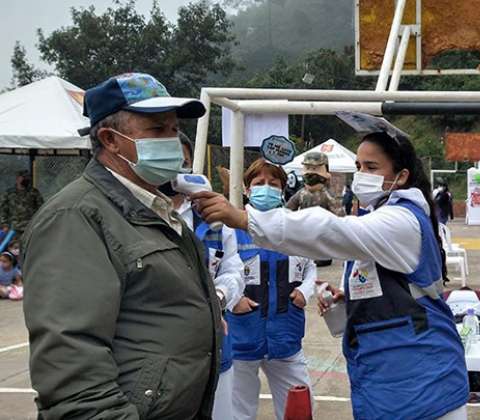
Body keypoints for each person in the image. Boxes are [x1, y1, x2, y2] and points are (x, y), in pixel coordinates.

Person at [192, 119, 470, 420]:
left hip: (418, 375)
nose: (362, 175)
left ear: (401, 176)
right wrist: (351, 300)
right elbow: (394, 285)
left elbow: (329, 230)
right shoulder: (384, 214)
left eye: (372, 167)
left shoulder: (401, 219)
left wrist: (246, 218)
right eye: (358, 165)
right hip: (392, 373)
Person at [22, 73, 222, 419]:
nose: (173, 141)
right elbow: (72, 361)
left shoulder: (154, 206)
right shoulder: (76, 217)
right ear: (109, 140)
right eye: (157, 130)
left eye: (174, 130)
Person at [164, 133, 245, 420]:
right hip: (157, 360)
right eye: (166, 157)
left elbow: (234, 270)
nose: (175, 166)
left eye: (183, 161)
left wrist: (218, 299)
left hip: (213, 349)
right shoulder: (129, 216)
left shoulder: (214, 221)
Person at [229, 159, 316, 420]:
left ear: (282, 189)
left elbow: (311, 265)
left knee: (299, 407)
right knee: (238, 411)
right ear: (247, 189)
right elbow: (215, 270)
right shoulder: (231, 227)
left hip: (286, 335)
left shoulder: (295, 226)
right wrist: (234, 300)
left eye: (273, 184)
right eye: (258, 183)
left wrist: (305, 291)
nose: (265, 188)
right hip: (242, 335)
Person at [286, 152, 343, 216]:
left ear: (327, 174)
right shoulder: (301, 193)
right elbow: (287, 211)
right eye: (307, 168)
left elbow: (340, 218)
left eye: (314, 169)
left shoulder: (328, 195)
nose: (310, 173)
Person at [0, 170, 44, 236]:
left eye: (28, 177)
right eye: (24, 177)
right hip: (14, 228)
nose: (27, 179)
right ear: (18, 178)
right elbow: (3, 210)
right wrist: (4, 225)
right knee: (14, 246)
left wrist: (39, 223)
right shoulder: (9, 193)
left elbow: (41, 208)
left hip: (30, 227)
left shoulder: (34, 192)